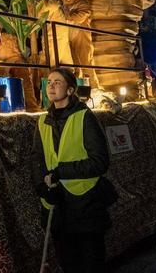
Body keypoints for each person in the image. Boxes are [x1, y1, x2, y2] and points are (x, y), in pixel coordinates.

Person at [38, 68, 113, 273]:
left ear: (71, 90)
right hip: (58, 207)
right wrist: (43, 189)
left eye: (57, 82)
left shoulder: (84, 118)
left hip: (85, 205)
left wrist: (61, 172)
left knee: (90, 263)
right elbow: (37, 161)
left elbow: (100, 162)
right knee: (67, 262)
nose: (51, 86)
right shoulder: (42, 122)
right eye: (49, 82)